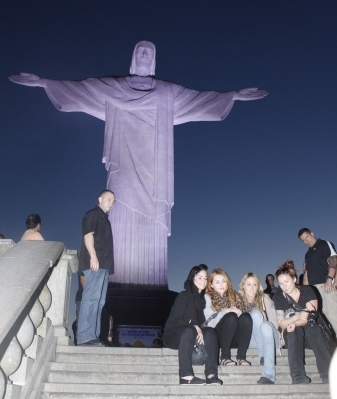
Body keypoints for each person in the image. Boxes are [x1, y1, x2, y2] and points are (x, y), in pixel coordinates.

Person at [9, 41, 268, 288]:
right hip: (123, 163)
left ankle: (151, 282)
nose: (144, 55)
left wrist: (232, 96)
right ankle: (119, 279)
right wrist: (45, 82)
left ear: (153, 60)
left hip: (154, 169)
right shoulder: (116, 87)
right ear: (134, 58)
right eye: (140, 51)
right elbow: (82, 90)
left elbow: (199, 99)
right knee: (118, 208)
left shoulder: (167, 91)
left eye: (149, 52)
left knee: (152, 216)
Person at [273, 260, 332, 384]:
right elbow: (281, 323)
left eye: (287, 281)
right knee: (293, 331)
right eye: (281, 283)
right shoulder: (278, 297)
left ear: (294, 279)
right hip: (293, 339)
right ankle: (298, 377)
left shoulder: (307, 291)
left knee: (313, 328)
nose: (284, 286)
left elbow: (310, 318)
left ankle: (328, 375)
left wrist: (293, 322)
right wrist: (296, 317)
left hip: (313, 337)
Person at [163, 264, 222, 385]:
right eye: (199, 277)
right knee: (189, 330)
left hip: (189, 335)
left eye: (205, 278)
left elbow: (201, 323)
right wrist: (195, 327)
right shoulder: (183, 295)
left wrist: (198, 328)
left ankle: (211, 374)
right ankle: (185, 375)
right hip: (173, 335)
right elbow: (175, 320)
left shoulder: (201, 301)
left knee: (210, 332)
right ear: (192, 278)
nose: (203, 281)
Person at [76, 189, 115, 346]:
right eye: (109, 199)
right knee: (91, 299)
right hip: (95, 264)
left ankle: (93, 336)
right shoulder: (94, 214)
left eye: (113, 201)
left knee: (99, 302)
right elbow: (88, 235)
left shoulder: (105, 219)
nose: (111, 203)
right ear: (100, 199)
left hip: (104, 267)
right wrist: (93, 256)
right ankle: (85, 337)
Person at [204, 269, 252, 366]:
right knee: (231, 316)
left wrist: (236, 311)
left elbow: (241, 317)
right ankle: (225, 357)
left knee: (246, 317)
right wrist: (225, 311)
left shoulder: (235, 296)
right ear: (211, 285)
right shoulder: (207, 297)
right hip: (217, 338)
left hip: (233, 338)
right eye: (217, 282)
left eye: (223, 281)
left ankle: (241, 357)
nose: (221, 284)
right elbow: (209, 323)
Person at [239, 272, 280, 384]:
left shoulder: (265, 298)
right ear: (243, 286)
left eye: (255, 284)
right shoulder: (238, 302)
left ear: (258, 286)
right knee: (254, 315)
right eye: (249, 284)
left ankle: (269, 374)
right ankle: (263, 355)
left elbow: (274, 323)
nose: (252, 288)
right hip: (253, 340)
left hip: (269, 336)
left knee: (258, 316)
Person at [298, 227, 337, 334]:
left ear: (312, 234)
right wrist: (306, 290)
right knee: (326, 317)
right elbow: (307, 274)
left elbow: (334, 261)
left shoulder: (324, 244)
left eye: (307, 237)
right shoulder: (308, 254)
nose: (307, 241)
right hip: (315, 289)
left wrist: (329, 279)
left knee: (334, 314)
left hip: (326, 285)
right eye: (303, 240)